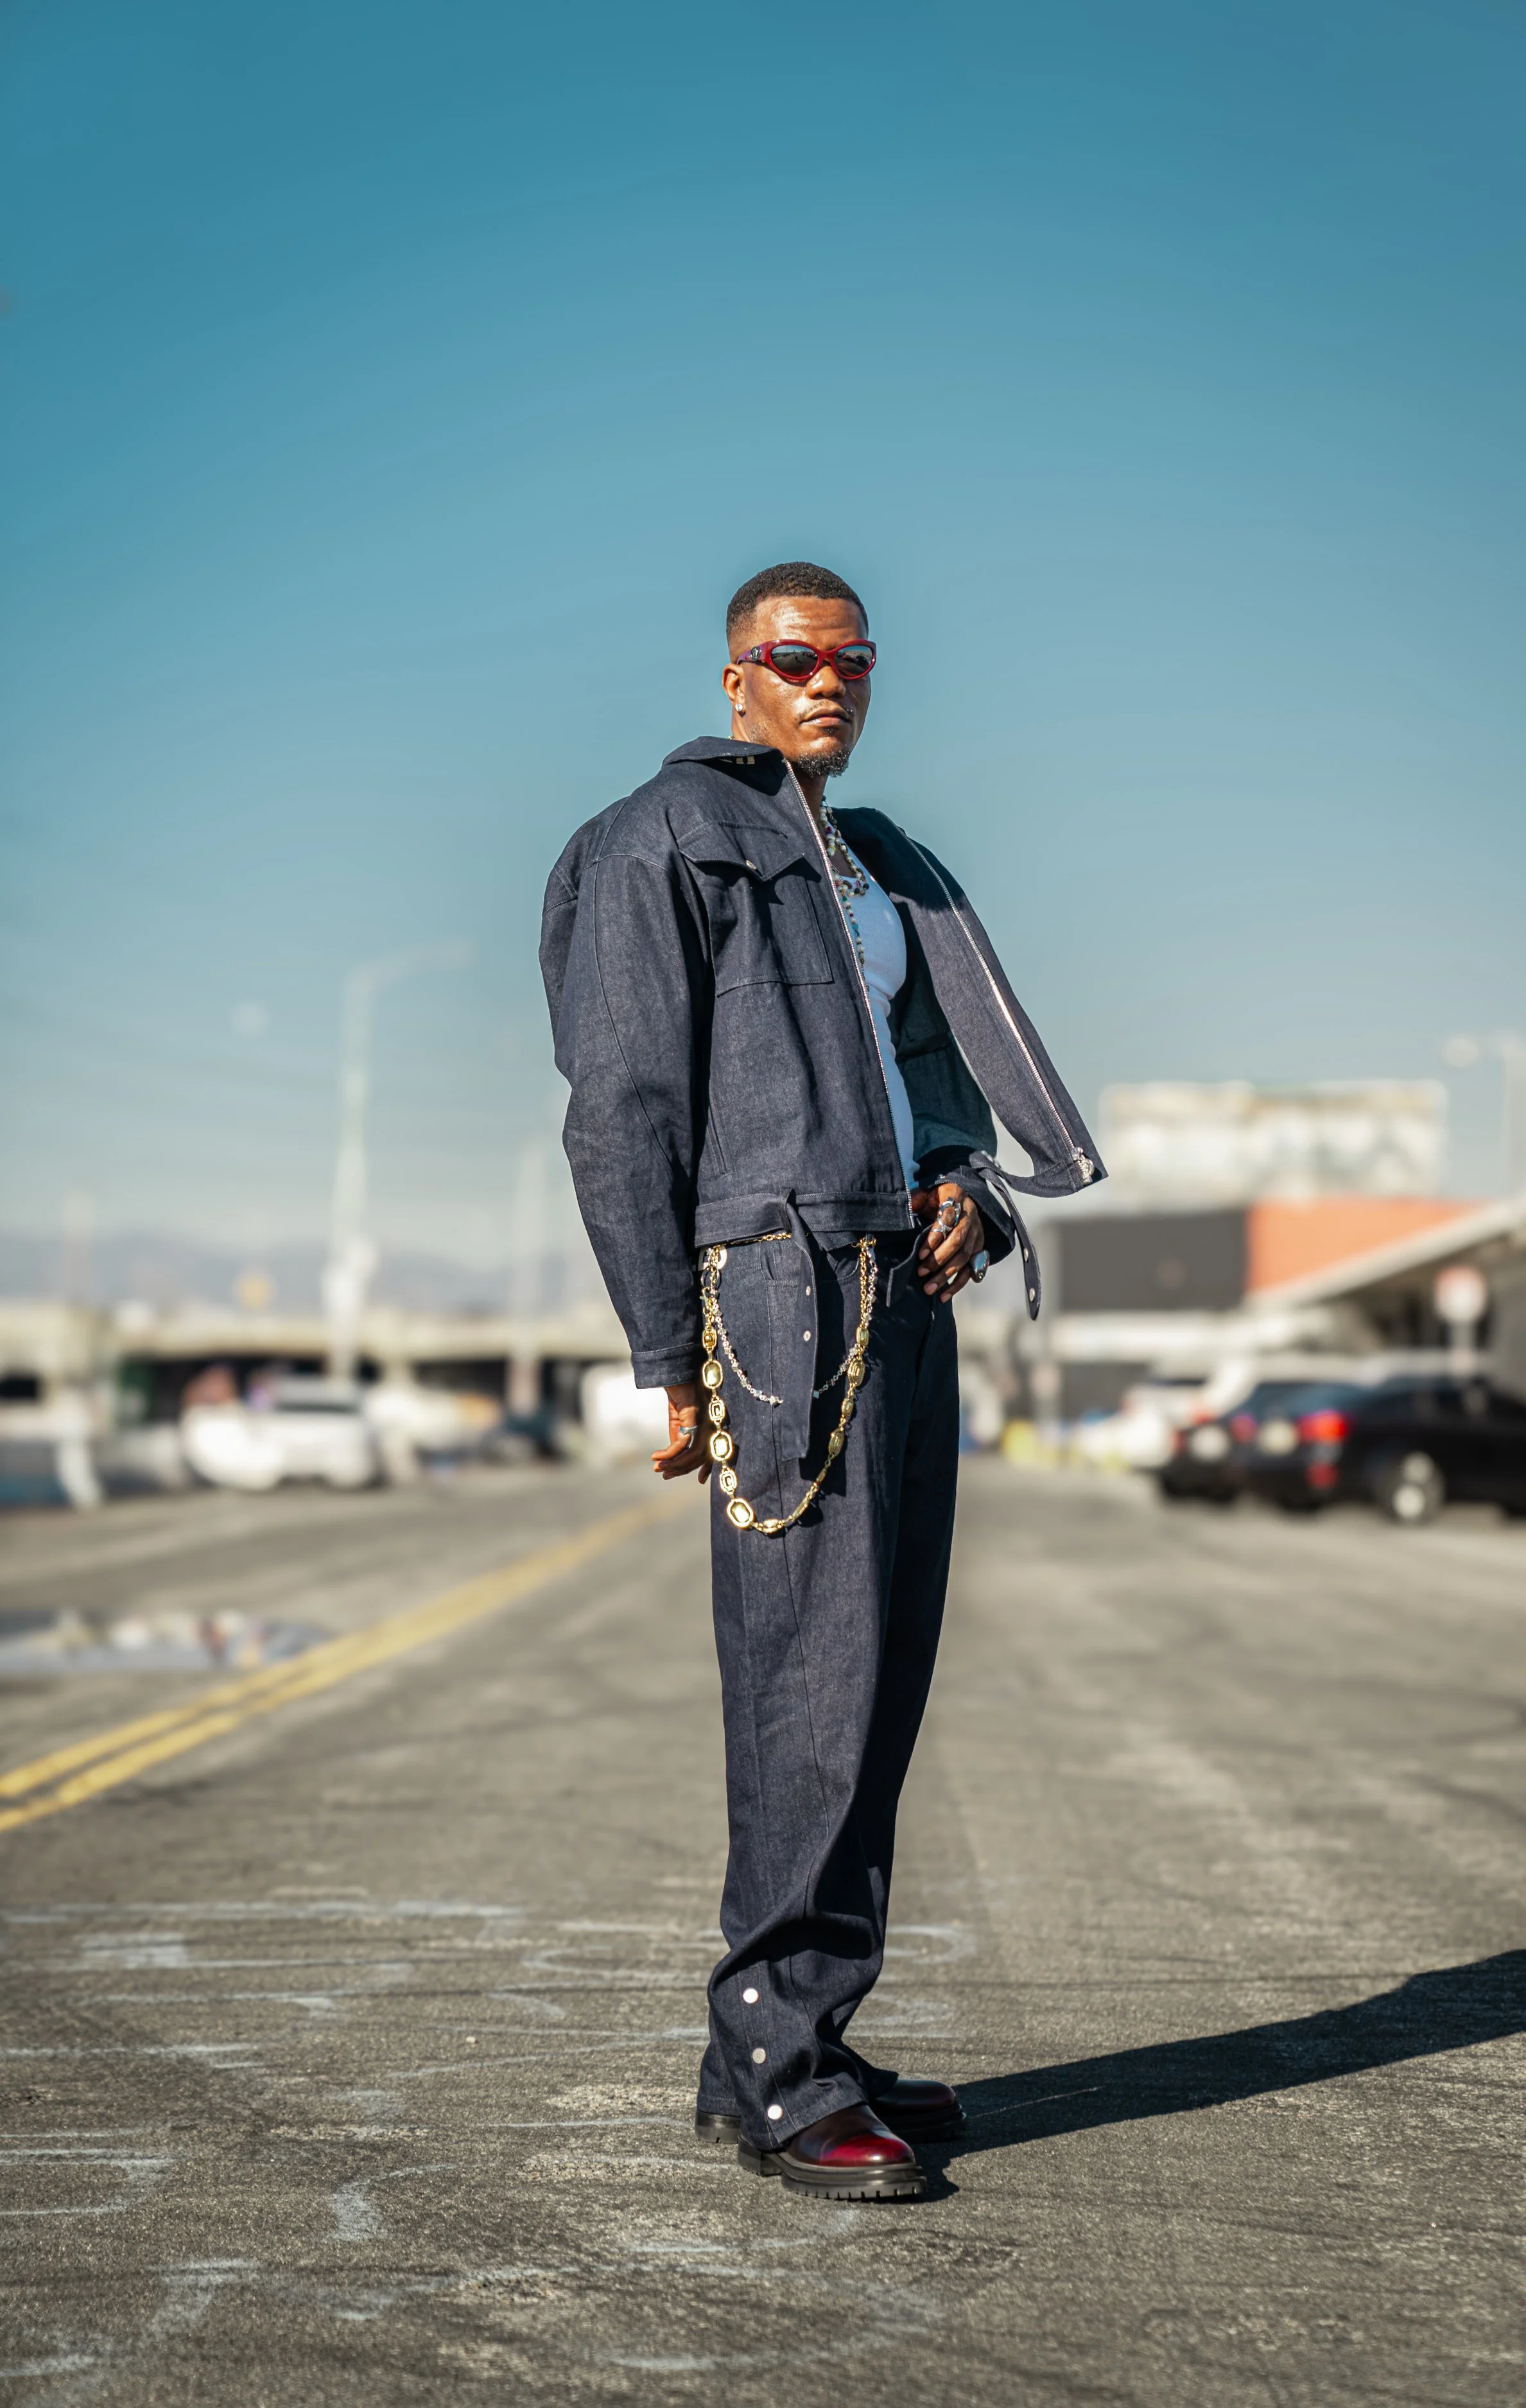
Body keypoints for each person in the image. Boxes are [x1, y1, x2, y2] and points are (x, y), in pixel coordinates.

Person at [542, 561, 1103, 2201]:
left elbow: (938, 1094)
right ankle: (777, 2069)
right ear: (735, 680)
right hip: (773, 1303)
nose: (826, 682)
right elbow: (619, 1107)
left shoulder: (878, 870)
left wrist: (967, 1188)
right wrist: (668, 1353)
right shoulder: (660, 841)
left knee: (877, 1690)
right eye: (793, 658)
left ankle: (797, 2040)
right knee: (806, 1684)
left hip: (901, 1293)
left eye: (852, 659)